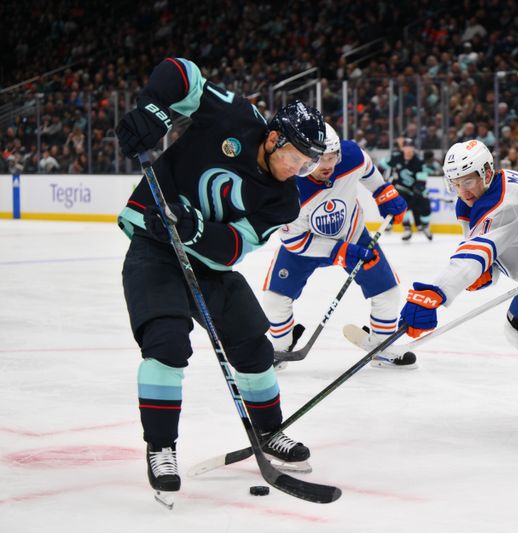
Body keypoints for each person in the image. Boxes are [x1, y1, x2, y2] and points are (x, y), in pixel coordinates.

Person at [115, 57, 327, 499]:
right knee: (167, 341)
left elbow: (235, 245)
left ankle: (270, 432)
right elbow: (179, 71)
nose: (296, 170)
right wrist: (154, 110)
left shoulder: (284, 201)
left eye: (306, 165)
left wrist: (193, 229)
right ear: (273, 138)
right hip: (154, 251)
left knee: (253, 343)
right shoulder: (233, 115)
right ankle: (161, 447)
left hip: (209, 266)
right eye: (293, 157)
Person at [399, 139, 518, 422]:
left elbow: (476, 251)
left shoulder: (504, 201)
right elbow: (490, 249)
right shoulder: (482, 197)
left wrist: (436, 292)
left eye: (467, 182)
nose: (461, 191)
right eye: (454, 183)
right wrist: (485, 274)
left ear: (487, 173)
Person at [262, 123, 417, 369]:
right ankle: (281, 345)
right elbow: (294, 241)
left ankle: (382, 343)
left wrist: (383, 191)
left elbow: (367, 168)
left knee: (387, 291)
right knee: (274, 298)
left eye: (332, 157)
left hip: (352, 235)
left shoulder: (351, 156)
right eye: (320, 159)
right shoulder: (288, 187)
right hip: (306, 246)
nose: (328, 165)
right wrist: (340, 253)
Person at [380, 137, 433, 241]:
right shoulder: (396, 157)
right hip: (400, 189)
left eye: (410, 148)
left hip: (415, 190)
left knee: (426, 208)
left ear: (413, 149)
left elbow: (422, 180)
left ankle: (425, 226)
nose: (408, 150)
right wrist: (379, 178)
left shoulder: (419, 161)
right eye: (406, 147)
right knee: (403, 207)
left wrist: (419, 188)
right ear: (402, 148)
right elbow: (381, 166)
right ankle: (407, 228)